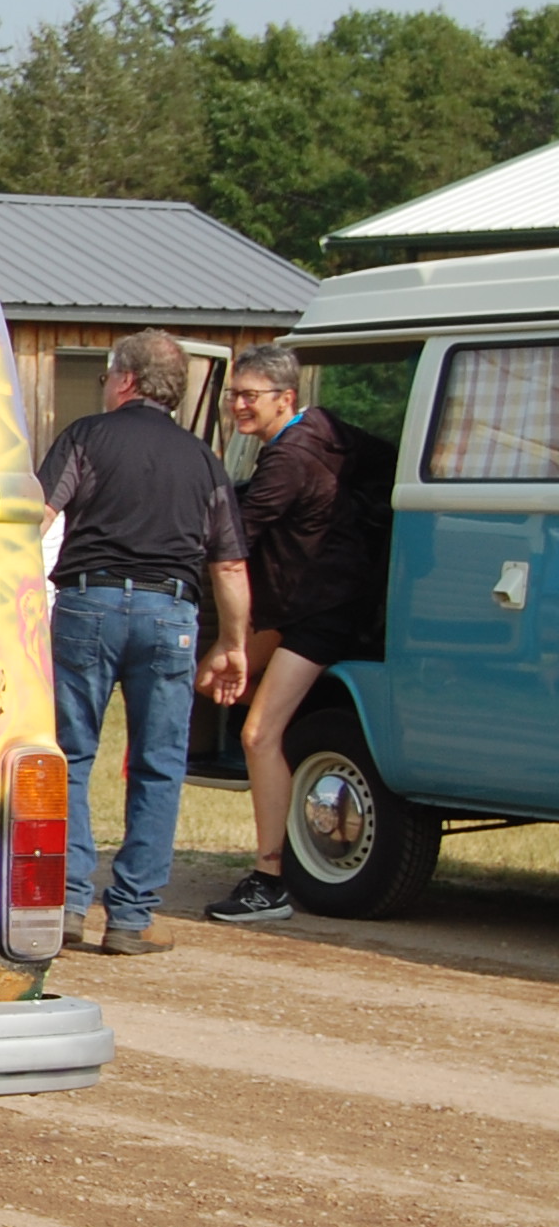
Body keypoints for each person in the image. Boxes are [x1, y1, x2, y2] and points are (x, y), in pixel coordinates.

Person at [37, 330, 252, 954]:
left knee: (71, 754)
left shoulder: (86, 437)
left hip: (88, 604)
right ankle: (131, 917)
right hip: (170, 614)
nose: (105, 386)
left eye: (107, 376)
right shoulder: (204, 461)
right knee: (158, 764)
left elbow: (36, 519)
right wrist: (232, 643)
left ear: (126, 380)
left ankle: (67, 903)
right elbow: (230, 565)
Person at [205, 345, 395, 924]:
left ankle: (269, 880)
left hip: (320, 612)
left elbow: (234, 539)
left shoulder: (287, 459)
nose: (238, 405)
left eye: (250, 396)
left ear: (285, 398)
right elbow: (387, 461)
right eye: (234, 394)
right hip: (310, 601)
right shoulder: (327, 429)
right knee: (209, 678)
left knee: (259, 734)